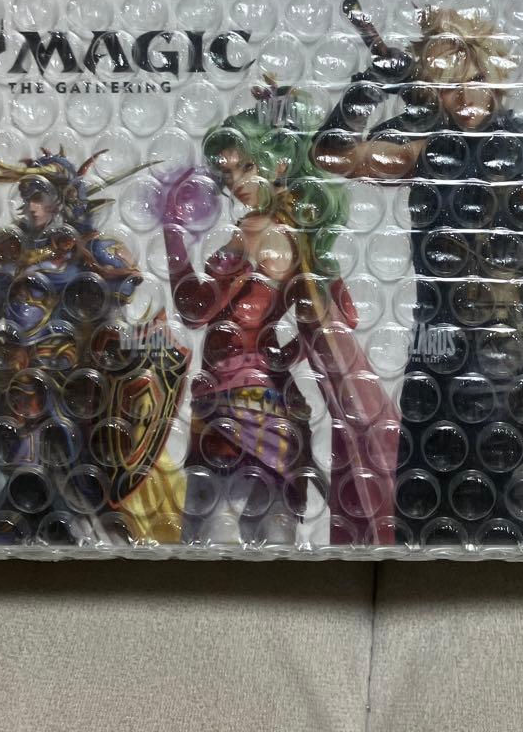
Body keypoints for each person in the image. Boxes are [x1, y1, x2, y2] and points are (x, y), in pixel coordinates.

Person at [312, 0, 523, 546]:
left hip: (507, 363)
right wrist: (370, 84)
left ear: (493, 77)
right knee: (426, 524)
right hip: (434, 362)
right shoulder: (423, 145)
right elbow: (331, 156)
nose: (464, 99)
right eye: (447, 86)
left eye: (474, 81)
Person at [0, 147, 188, 545]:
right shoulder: (11, 258)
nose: (32, 206)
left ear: (61, 198)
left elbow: (116, 311)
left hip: (69, 393)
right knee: (9, 490)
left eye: (40, 196)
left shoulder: (88, 251)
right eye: (27, 197)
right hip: (16, 391)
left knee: (70, 495)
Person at [163, 83, 399, 546]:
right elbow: (342, 315)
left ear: (280, 163)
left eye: (247, 167)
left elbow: (194, 310)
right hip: (276, 407)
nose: (235, 181)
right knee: (271, 536)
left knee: (213, 537)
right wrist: (278, 355)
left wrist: (172, 234)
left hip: (231, 409)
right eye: (228, 171)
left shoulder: (254, 231)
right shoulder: (302, 239)